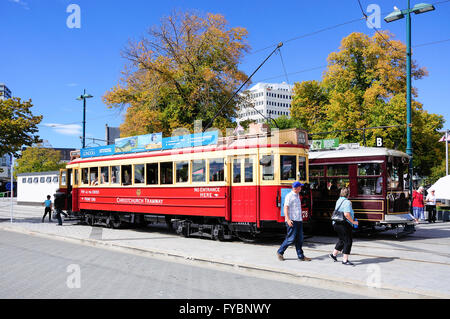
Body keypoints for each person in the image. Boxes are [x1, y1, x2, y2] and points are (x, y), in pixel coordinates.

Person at [276, 181, 312, 262]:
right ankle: (280, 252)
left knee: (300, 239)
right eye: (300, 187)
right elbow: (285, 208)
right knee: (290, 238)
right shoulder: (289, 196)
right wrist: (288, 219)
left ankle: (301, 256)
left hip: (298, 220)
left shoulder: (297, 195)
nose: (301, 188)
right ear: (296, 188)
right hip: (292, 221)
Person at [329, 187, 358, 266]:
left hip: (336, 223)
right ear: (348, 194)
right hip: (344, 224)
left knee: (342, 240)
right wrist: (353, 222)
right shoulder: (347, 202)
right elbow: (346, 214)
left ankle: (333, 255)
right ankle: (345, 260)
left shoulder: (339, 200)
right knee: (348, 241)